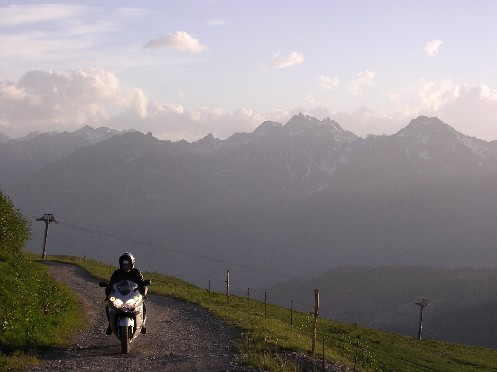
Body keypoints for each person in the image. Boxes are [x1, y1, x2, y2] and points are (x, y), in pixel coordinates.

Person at [105, 252, 148, 335]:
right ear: (121, 265)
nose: (126, 267)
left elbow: (142, 284)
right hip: (119, 295)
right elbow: (110, 285)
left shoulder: (136, 272)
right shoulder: (116, 273)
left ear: (132, 264)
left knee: (143, 306)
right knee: (108, 307)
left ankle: (142, 324)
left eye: (128, 264)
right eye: (124, 265)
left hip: (132, 295)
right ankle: (110, 325)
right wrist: (108, 294)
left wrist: (143, 293)